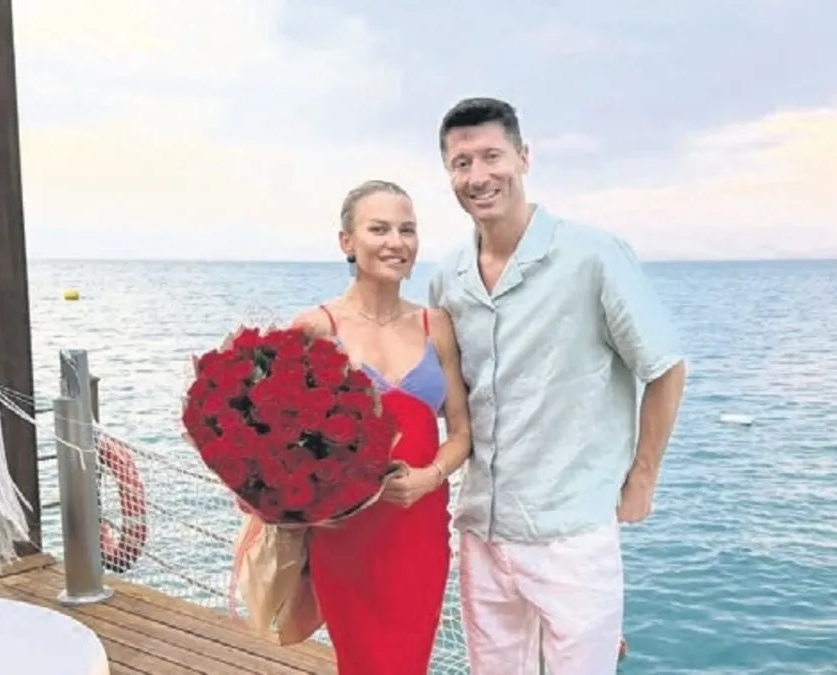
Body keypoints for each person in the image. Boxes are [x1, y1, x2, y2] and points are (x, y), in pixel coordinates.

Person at [429, 97, 688, 674]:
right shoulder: (448, 276)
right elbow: (450, 398)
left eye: (492, 156)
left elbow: (665, 367)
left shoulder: (592, 255)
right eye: (461, 163)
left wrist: (643, 477)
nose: (478, 175)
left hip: (570, 533)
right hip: (482, 530)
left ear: (523, 157)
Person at [292, 179, 473, 675]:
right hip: (346, 538)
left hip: (420, 533)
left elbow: (462, 432)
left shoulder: (436, 326)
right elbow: (276, 444)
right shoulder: (315, 327)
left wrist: (429, 477)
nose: (397, 242)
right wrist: (308, 505)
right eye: (379, 229)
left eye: (407, 230)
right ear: (347, 241)